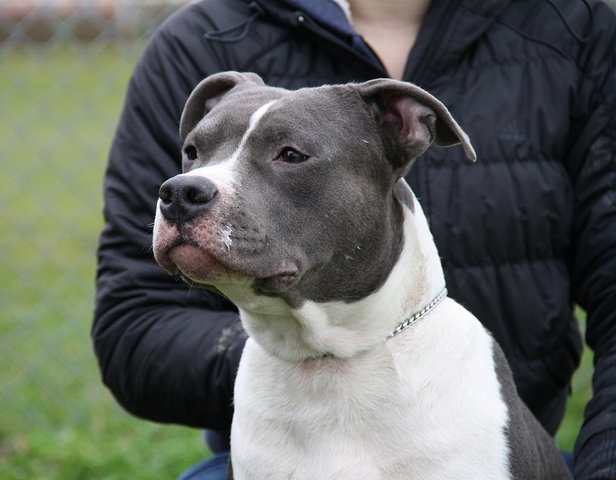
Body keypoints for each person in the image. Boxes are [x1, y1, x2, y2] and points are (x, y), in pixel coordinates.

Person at [92, 0, 616, 478]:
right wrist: (300, 352)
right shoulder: (202, 37)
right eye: (195, 153)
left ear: (407, 127)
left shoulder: (573, 26)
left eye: (290, 155)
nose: (193, 183)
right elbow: (134, 321)